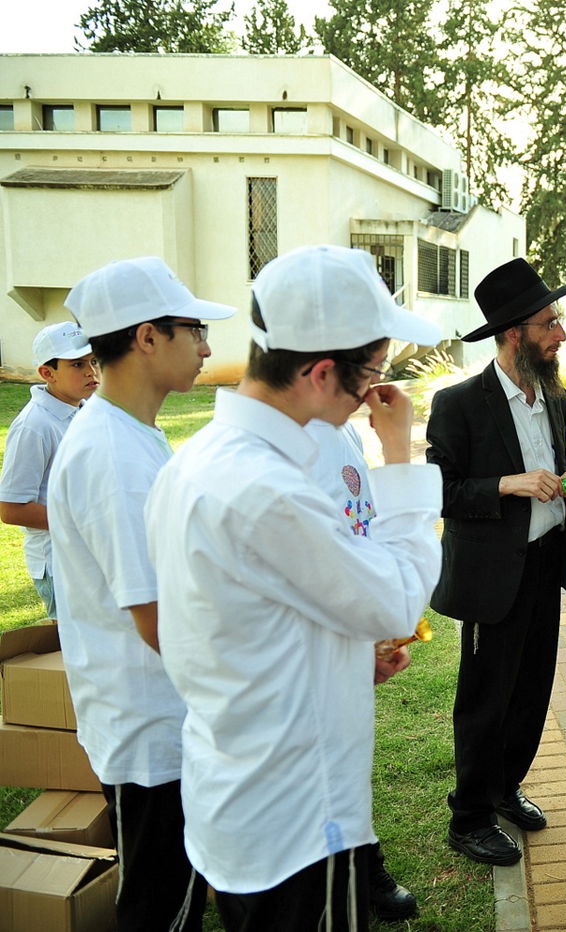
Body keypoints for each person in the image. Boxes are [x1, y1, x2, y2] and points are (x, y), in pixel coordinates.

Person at [146, 244, 442, 931]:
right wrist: (400, 456)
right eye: (372, 369)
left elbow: (238, 625)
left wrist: (337, 664)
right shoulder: (269, 492)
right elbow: (397, 598)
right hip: (295, 820)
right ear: (318, 372)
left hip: (244, 789)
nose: (376, 389)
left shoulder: (202, 462)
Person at [47, 257, 234, 932]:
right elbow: (157, 619)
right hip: (150, 729)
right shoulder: (113, 456)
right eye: (194, 329)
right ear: (146, 336)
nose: (208, 346)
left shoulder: (132, 436)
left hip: (164, 717)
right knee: (159, 907)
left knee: (172, 895)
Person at [427, 258, 566, 867]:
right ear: (515, 332)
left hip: (546, 565)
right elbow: (442, 492)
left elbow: (548, 472)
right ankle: (467, 817)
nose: (562, 334)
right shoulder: (459, 403)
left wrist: (564, 489)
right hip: (492, 577)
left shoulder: (556, 397)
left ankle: (504, 788)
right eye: (550, 323)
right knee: (485, 698)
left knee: (531, 690)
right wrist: (508, 485)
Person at [306, 417, 419, 919]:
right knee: (321, 762)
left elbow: (363, 519)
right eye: (370, 362)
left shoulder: (343, 427)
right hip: (320, 637)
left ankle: (361, 861)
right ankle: (345, 870)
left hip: (350, 627)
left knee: (349, 755)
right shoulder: (290, 443)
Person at [0, 322, 99, 618]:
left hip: (91, 557)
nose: (91, 371)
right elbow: (10, 508)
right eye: (77, 364)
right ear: (47, 373)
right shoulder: (35, 426)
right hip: (61, 565)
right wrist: (83, 522)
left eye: (94, 361)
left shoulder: (84, 410)